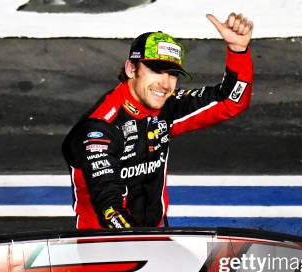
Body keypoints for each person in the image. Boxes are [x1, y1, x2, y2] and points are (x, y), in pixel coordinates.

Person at [62, 12, 253, 229]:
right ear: (131, 68)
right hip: (103, 249)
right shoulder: (99, 128)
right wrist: (146, 244)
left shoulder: (166, 107)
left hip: (156, 237)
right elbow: (109, 209)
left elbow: (230, 101)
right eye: (156, 70)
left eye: (172, 74)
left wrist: (238, 50)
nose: (165, 83)